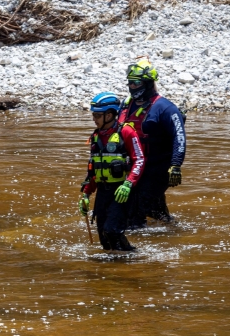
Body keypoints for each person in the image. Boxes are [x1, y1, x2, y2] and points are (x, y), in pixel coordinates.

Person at [118, 57, 186, 228]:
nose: (132, 87)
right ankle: (172, 230)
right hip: (134, 166)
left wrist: (176, 165)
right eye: (130, 83)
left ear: (148, 83)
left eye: (136, 83)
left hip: (158, 168)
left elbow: (179, 138)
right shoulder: (126, 105)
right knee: (155, 211)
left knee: (136, 209)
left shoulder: (166, 108)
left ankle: (137, 248)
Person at [79, 92, 145, 251]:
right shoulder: (95, 137)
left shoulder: (126, 133)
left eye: (97, 115)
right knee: (103, 236)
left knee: (112, 231)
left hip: (121, 192)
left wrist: (128, 184)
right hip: (102, 193)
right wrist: (86, 194)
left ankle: (132, 258)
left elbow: (140, 160)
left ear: (109, 115)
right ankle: (113, 267)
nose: (93, 118)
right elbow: (94, 169)